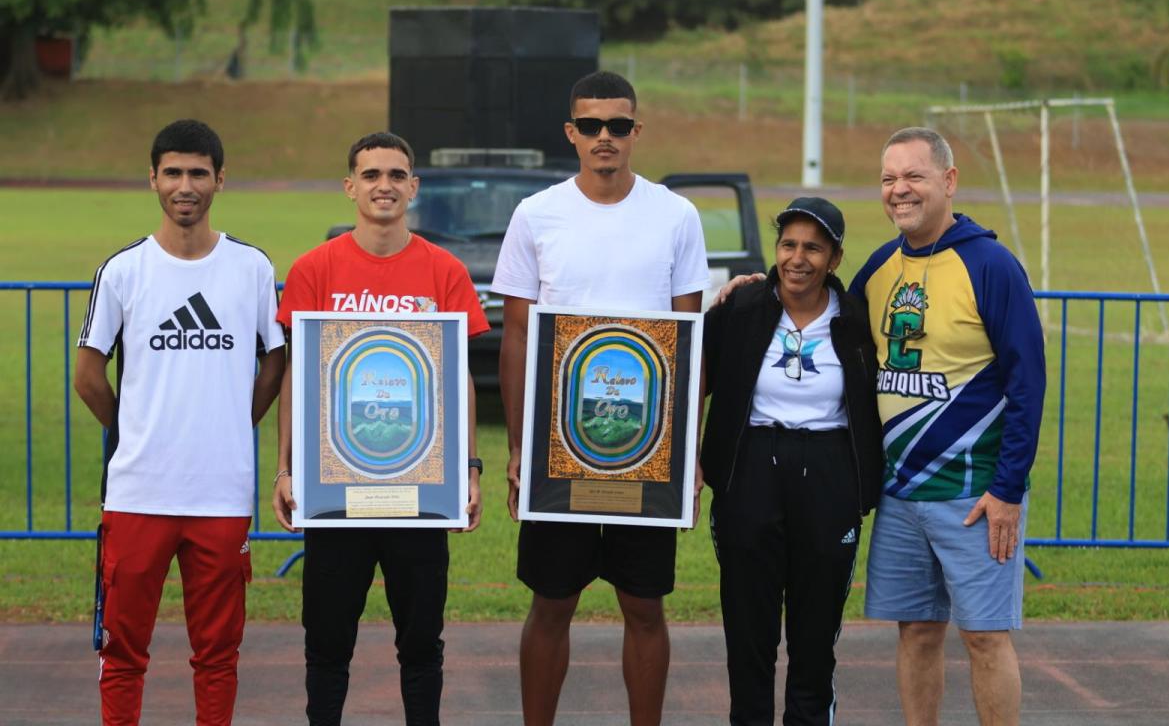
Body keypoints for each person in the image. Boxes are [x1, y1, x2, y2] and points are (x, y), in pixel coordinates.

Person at [491, 70, 710, 726]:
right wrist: (520, 449)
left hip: (647, 449)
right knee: (551, 602)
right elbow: (519, 340)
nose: (604, 137)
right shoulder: (537, 214)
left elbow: (690, 342)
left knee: (644, 605)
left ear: (636, 131)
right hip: (559, 450)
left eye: (618, 125)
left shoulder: (676, 214)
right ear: (571, 133)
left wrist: (687, 454)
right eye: (591, 126)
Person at [74, 119, 286, 726]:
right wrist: (130, 429)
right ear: (153, 179)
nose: (185, 185)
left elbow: (276, 361)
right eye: (173, 172)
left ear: (220, 179)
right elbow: (88, 374)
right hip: (139, 491)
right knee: (122, 652)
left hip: (220, 493)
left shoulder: (250, 268)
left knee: (217, 654)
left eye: (198, 173)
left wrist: (232, 421)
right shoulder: (124, 271)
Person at [271, 132, 486, 726]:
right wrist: (286, 469)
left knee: (421, 643)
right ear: (350, 188)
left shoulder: (444, 270)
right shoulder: (315, 269)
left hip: (419, 490)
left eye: (396, 175)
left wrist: (469, 468)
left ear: (413, 187)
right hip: (336, 489)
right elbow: (297, 373)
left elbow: (459, 379)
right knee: (327, 645)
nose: (384, 185)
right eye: (370, 175)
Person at [850, 127, 1046, 726]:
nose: (899, 190)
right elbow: (815, 319)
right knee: (916, 632)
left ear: (949, 181)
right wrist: (749, 291)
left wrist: (1008, 489)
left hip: (975, 497)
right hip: (901, 496)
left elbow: (1028, 383)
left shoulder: (991, 265)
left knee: (984, 638)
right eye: (888, 179)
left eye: (914, 176)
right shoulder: (880, 267)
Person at [701, 197, 883, 725]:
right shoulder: (741, 308)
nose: (797, 258)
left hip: (829, 473)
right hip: (751, 469)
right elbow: (693, 378)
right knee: (749, 635)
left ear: (835, 258)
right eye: (788, 245)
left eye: (813, 248)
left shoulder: (857, 322)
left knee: (813, 638)